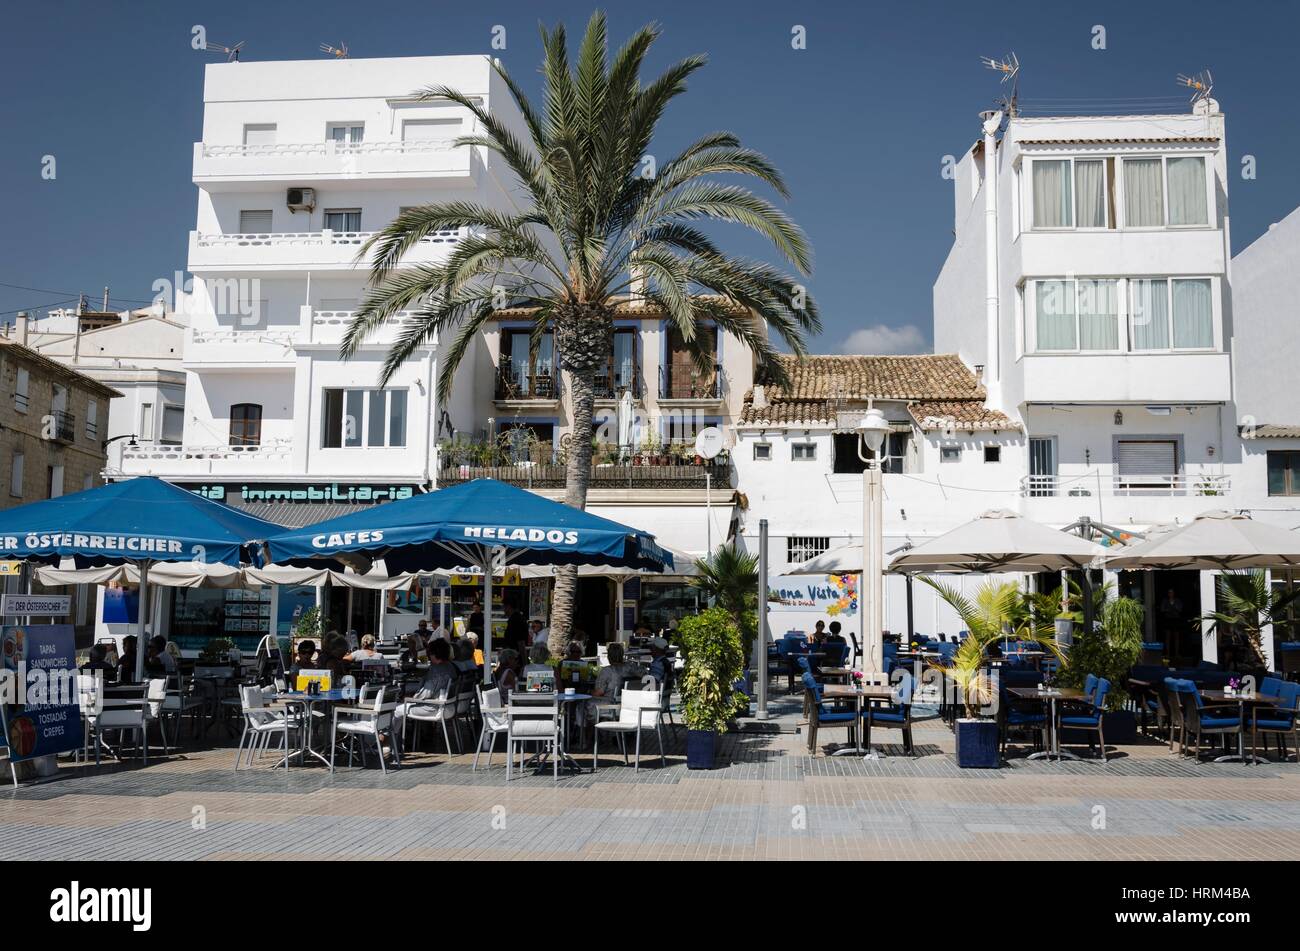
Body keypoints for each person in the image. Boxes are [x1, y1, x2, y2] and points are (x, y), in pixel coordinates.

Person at [393, 638, 457, 753]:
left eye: (429, 653)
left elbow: (426, 694)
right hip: (449, 707)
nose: (428, 656)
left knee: (397, 710)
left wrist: (410, 698)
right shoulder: (450, 667)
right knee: (404, 704)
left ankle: (390, 742)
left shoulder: (436, 670)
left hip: (433, 708)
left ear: (434, 654)